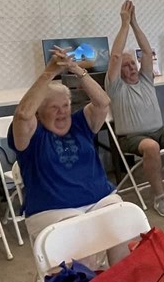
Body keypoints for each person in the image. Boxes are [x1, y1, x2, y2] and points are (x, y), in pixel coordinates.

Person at [8, 47, 120, 240]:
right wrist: (49, 73)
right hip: (53, 209)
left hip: (99, 199)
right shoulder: (33, 134)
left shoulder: (80, 123)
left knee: (122, 224)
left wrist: (76, 69)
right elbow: (23, 115)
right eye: (54, 107)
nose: (62, 112)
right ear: (39, 112)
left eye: (66, 105)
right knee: (79, 237)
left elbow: (103, 102)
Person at [106, 0, 164, 218]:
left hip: (160, 130)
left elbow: (147, 52)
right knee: (151, 147)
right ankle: (160, 198)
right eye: (126, 65)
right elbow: (116, 56)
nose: (132, 67)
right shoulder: (115, 86)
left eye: (133, 64)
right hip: (132, 137)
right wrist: (124, 25)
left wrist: (135, 23)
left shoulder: (146, 79)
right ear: (119, 71)